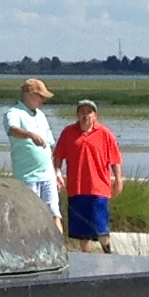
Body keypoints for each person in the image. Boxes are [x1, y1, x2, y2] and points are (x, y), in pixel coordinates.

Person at [54, 100, 121, 251]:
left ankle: (107, 252)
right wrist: (57, 172)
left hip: (99, 188)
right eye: (82, 112)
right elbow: (58, 155)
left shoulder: (105, 133)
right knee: (81, 231)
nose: (85, 115)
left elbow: (115, 160)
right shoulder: (68, 132)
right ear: (77, 114)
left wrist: (118, 180)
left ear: (95, 115)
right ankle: (88, 261)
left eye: (89, 112)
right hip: (76, 188)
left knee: (100, 227)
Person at [6, 78, 57, 216]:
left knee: (54, 214)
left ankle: (57, 238)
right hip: (27, 177)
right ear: (30, 94)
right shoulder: (14, 112)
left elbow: (50, 144)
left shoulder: (41, 115)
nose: (43, 101)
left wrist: (56, 171)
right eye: (41, 96)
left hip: (48, 176)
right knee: (30, 215)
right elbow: (13, 130)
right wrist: (30, 135)